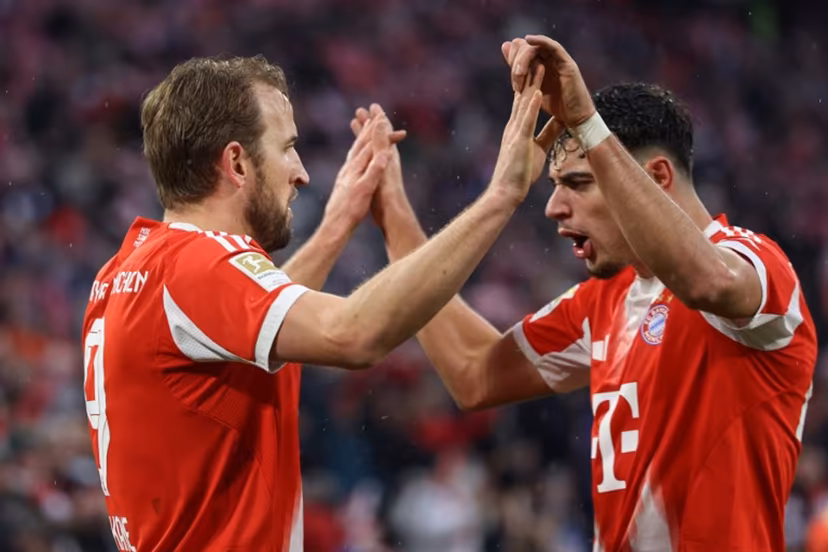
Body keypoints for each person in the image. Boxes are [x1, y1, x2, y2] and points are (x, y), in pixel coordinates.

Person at [357, 36, 818, 551]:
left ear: (656, 178)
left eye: (577, 182)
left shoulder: (757, 265)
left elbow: (705, 281)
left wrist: (590, 124)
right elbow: (472, 373)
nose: (553, 207)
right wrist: (395, 218)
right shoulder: (603, 301)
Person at [81, 55, 550, 551]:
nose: (301, 174)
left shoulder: (127, 270)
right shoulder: (201, 264)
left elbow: (258, 326)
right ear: (237, 163)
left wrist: (337, 224)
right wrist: (502, 194)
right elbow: (353, 334)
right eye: (287, 148)